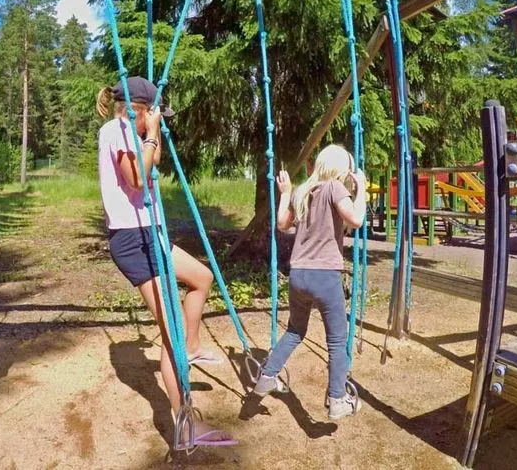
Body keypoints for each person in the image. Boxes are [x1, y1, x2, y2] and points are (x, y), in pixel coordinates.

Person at [96, 76, 236, 446]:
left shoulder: (133, 132)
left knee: (201, 278)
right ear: (140, 111)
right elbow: (138, 178)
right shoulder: (116, 130)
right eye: (157, 114)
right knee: (170, 330)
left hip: (151, 232)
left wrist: (152, 134)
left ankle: (191, 347)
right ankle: (183, 422)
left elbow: (152, 159)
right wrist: (152, 133)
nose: (164, 121)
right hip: (133, 238)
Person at [253, 144, 367, 420]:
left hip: (298, 274)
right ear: (341, 169)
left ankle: (267, 376)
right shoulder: (334, 189)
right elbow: (356, 220)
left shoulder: (304, 190)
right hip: (325, 275)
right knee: (338, 341)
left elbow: (282, 224)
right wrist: (361, 188)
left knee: (295, 330)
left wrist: (286, 194)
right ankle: (338, 399)